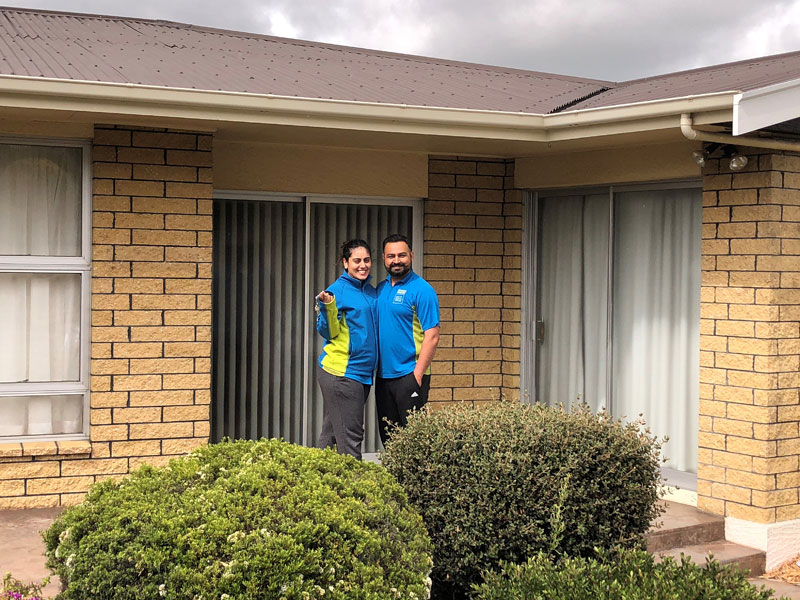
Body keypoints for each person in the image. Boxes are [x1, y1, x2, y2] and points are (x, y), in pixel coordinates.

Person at [315, 239, 378, 460]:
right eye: (357, 260)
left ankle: (319, 483)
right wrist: (327, 307)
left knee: (333, 434)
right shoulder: (336, 291)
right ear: (345, 262)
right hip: (342, 372)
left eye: (367, 260)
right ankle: (355, 491)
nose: (363, 265)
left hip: (361, 375)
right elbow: (328, 331)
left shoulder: (369, 291)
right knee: (351, 438)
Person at [375, 233, 440, 445]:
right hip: (384, 377)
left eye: (401, 255)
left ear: (411, 256)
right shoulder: (381, 289)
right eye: (390, 256)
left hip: (409, 375)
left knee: (413, 442)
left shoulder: (422, 290)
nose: (396, 260)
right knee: (389, 439)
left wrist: (417, 374)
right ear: (384, 258)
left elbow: (432, 336)